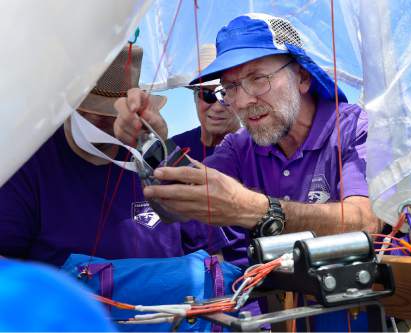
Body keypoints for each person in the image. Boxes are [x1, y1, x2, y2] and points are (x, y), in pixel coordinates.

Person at [114, 14, 379, 268]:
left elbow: (367, 222)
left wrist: (256, 209)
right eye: (230, 87)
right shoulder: (239, 147)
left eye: (257, 79)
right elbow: (178, 204)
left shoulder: (355, 128)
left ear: (303, 77)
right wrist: (153, 140)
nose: (241, 102)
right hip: (279, 309)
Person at [0, 45, 228, 266]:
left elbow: (212, 256)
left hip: (178, 305)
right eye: (96, 112)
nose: (108, 122)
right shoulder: (28, 167)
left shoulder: (158, 156)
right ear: (69, 106)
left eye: (117, 113)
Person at [170, 44, 241, 253]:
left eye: (226, 95)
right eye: (207, 95)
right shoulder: (175, 148)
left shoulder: (258, 151)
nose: (218, 106)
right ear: (194, 96)